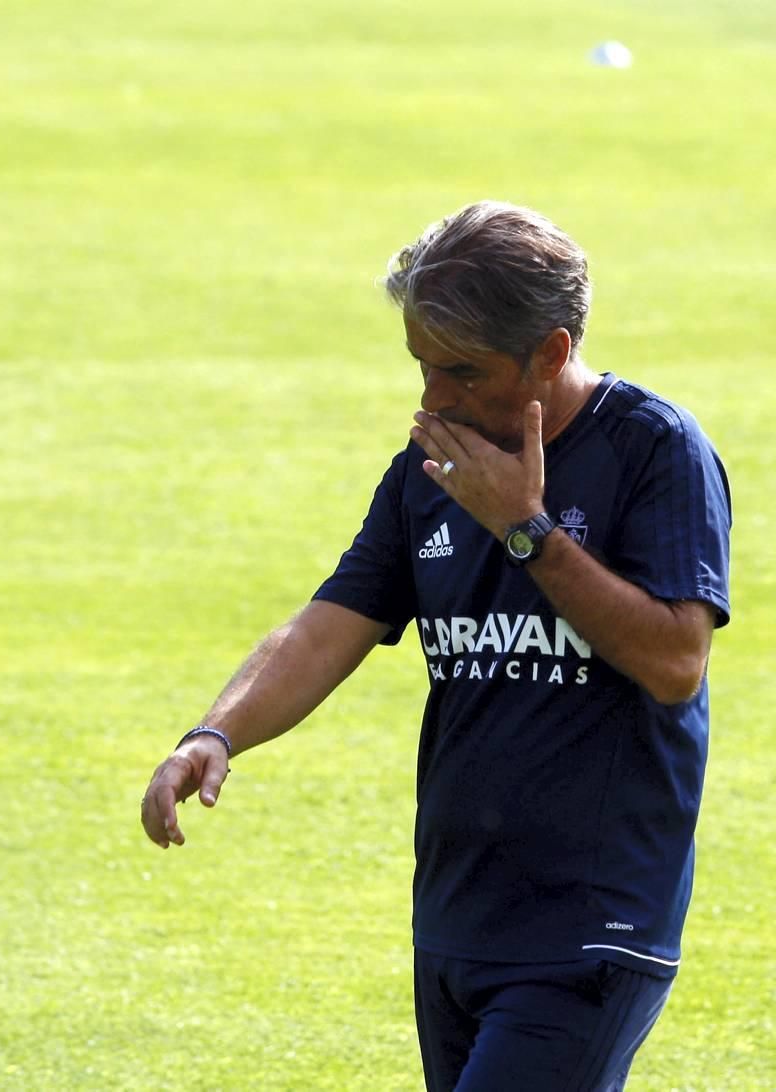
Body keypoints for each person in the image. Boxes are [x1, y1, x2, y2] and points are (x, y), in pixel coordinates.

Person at [141, 201, 731, 1091]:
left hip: (592, 926)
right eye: (422, 367)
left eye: (461, 371)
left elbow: (675, 660)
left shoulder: (654, 451)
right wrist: (213, 735)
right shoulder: (431, 465)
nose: (432, 399)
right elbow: (329, 621)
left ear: (553, 352)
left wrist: (523, 529)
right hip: (457, 920)